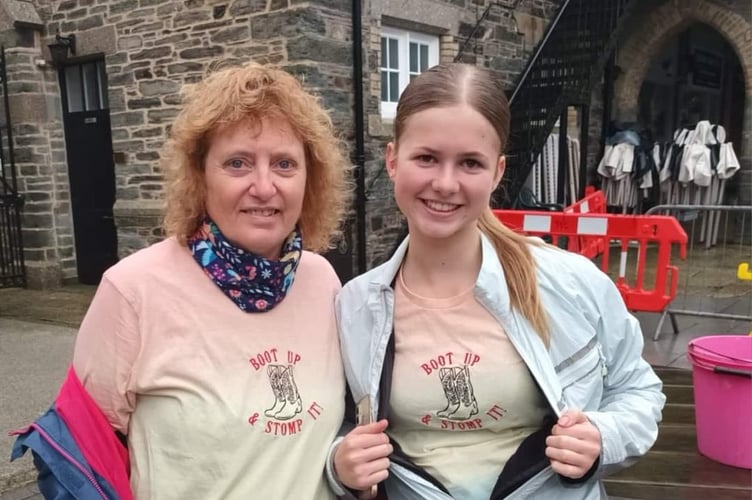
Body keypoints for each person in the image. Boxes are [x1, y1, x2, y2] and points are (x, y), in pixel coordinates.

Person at [12, 62, 351, 499]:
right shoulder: (133, 290)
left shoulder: (322, 281)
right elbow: (81, 460)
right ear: (200, 175)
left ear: (311, 177)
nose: (264, 187)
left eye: (285, 164)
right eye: (238, 163)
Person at [328, 63, 665, 499]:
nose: (445, 183)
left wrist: (603, 436)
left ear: (498, 171)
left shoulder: (570, 281)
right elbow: (339, 424)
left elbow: (636, 388)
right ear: (392, 160)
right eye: (426, 157)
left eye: (470, 163)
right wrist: (341, 466)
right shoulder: (355, 306)